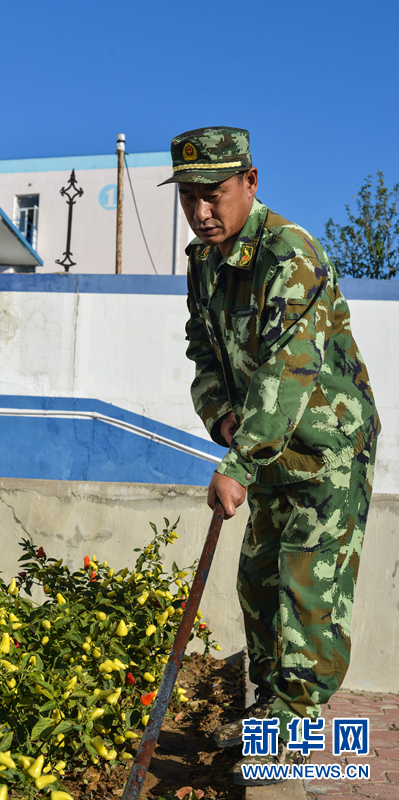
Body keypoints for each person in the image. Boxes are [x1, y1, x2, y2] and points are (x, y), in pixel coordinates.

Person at [159, 127, 381, 786]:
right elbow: (204, 351)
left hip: (326, 447)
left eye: (216, 194)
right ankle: (269, 716)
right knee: (257, 581)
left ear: (250, 183)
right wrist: (221, 417)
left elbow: (287, 371)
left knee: (305, 590)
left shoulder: (290, 253)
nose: (202, 211)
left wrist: (237, 464)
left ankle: (296, 736)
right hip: (266, 447)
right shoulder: (205, 263)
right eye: (191, 197)